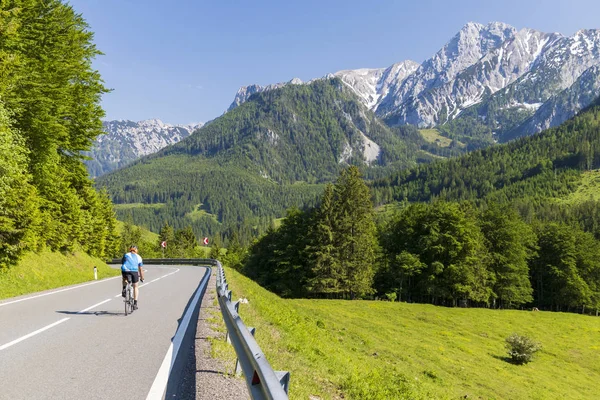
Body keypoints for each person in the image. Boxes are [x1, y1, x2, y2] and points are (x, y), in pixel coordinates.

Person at [121, 245, 144, 310]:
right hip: (134, 272)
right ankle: (135, 304)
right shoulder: (139, 257)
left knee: (124, 278)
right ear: (136, 250)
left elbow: (122, 263)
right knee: (135, 287)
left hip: (125, 271)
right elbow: (140, 269)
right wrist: (142, 277)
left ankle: (124, 289)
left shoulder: (126, 255)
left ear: (130, 250)